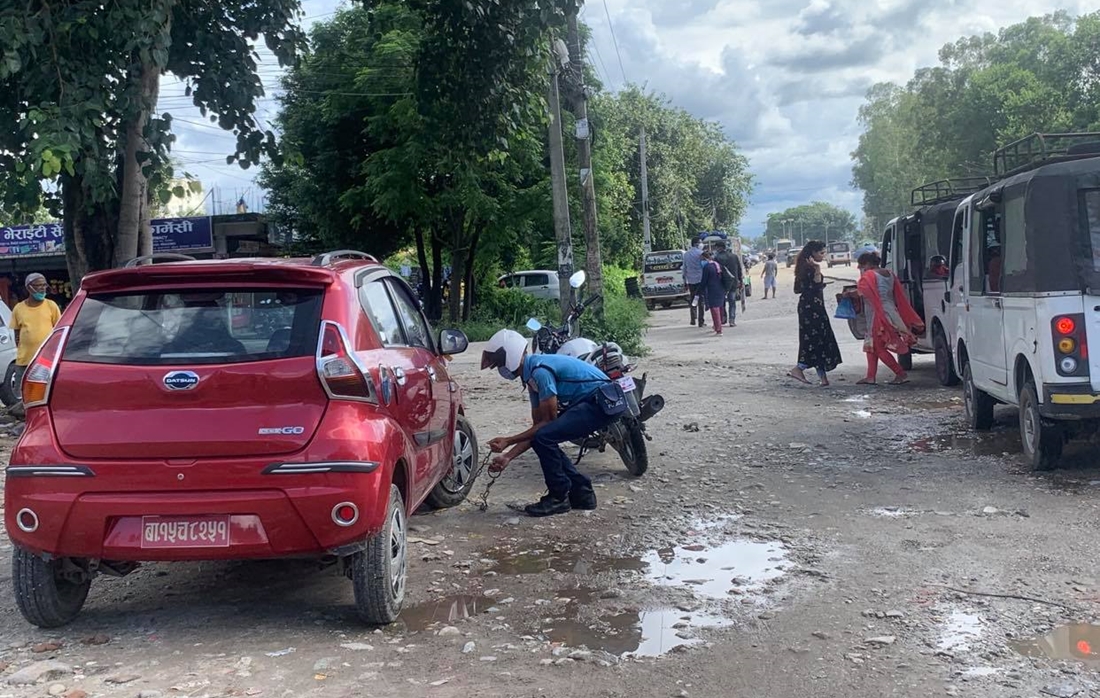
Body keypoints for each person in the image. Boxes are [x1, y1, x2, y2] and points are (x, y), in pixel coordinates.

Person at [481, 329, 626, 517]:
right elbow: (537, 430)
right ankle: (582, 494)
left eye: (499, 363)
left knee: (545, 437)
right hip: (595, 402)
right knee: (543, 438)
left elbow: (547, 423)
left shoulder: (540, 371)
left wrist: (508, 441)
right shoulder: (531, 377)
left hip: (601, 402)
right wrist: (508, 457)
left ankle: (558, 498)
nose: (500, 369)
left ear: (511, 355)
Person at [856, 251, 924, 385]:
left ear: (868, 264)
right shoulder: (889, 274)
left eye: (861, 265)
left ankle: (900, 373)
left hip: (878, 314)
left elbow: (862, 293)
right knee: (872, 345)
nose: (860, 268)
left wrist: (848, 295)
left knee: (878, 347)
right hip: (891, 311)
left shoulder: (869, 275)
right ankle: (870, 376)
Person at [788, 242, 842, 386]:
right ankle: (799, 368)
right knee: (815, 340)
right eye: (821, 253)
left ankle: (823, 378)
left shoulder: (801, 268)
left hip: (809, 307)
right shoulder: (810, 268)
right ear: (813, 253)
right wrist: (817, 270)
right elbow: (816, 284)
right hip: (812, 309)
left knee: (819, 340)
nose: (823, 256)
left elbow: (798, 289)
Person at [9, 273, 61, 388]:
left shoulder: (51, 306)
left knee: (43, 392)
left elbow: (59, 331)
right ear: (28, 287)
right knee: (22, 395)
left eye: (44, 285)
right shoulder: (19, 308)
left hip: (46, 361)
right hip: (25, 361)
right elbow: (17, 334)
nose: (42, 288)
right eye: (38, 285)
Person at [714, 241, 744, 327]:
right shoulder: (734, 256)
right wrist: (740, 281)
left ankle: (723, 318)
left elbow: (717, 272)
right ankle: (732, 320)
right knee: (732, 301)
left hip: (722, 283)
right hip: (733, 283)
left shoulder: (717, 258)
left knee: (722, 302)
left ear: (719, 247)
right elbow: (739, 270)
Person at [698, 250, 726, 335]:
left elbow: (704, 281)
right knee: (720, 308)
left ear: (705, 258)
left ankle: (718, 329)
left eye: (702, 259)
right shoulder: (717, 265)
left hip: (712, 290)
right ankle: (718, 325)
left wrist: (699, 291)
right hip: (720, 289)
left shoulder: (707, 267)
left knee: (714, 309)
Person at [682, 236, 704, 327]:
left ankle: (693, 318)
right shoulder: (701, 253)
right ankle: (700, 321)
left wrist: (685, 281)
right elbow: (704, 266)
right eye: (700, 242)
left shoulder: (686, 254)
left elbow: (684, 268)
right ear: (697, 244)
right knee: (700, 301)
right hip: (700, 280)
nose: (701, 244)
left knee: (693, 299)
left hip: (691, 280)